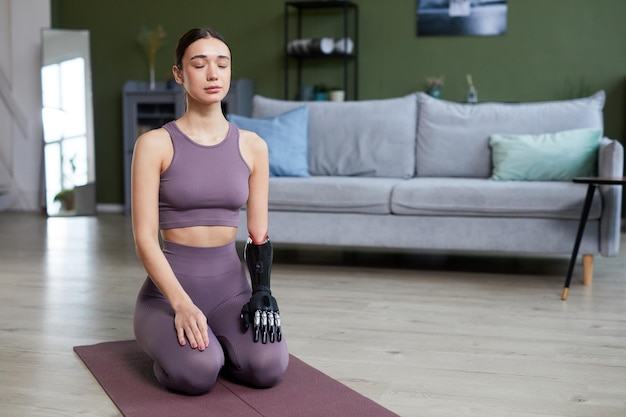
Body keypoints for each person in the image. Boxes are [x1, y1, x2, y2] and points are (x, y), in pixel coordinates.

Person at [132, 27, 288, 395]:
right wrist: (182, 305)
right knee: (198, 373)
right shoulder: (154, 144)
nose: (213, 74)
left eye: (222, 64)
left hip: (230, 291)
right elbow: (143, 238)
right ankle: (192, 349)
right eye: (199, 64)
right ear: (178, 74)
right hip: (167, 296)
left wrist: (261, 292)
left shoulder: (253, 146)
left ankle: (222, 348)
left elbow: (258, 235)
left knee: (268, 368)